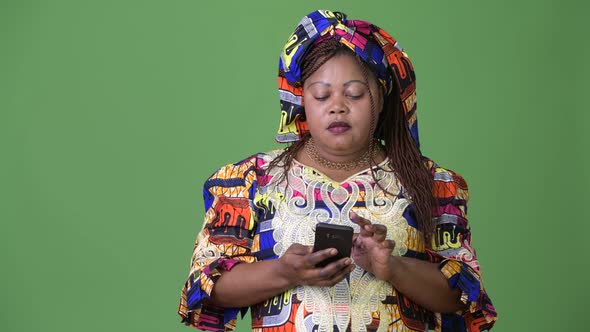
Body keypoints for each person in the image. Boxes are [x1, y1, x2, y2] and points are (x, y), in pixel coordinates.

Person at [177, 9, 497, 332]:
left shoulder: (429, 183)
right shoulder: (252, 182)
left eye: (355, 93)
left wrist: (394, 268)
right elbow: (207, 289)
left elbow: (463, 297)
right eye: (321, 94)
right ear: (302, 99)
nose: (337, 106)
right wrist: (286, 272)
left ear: (383, 97)